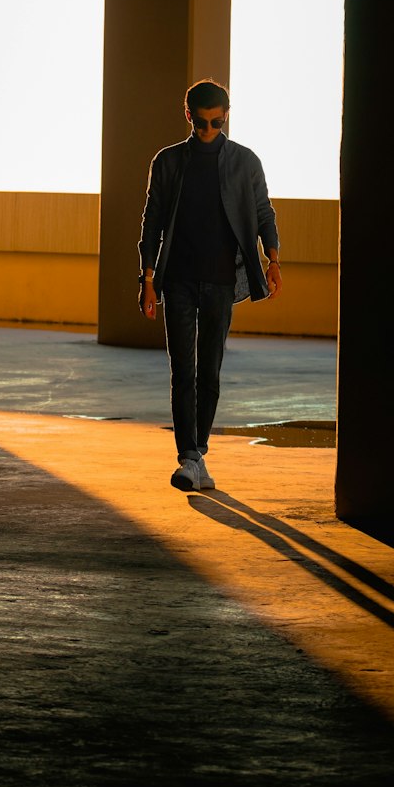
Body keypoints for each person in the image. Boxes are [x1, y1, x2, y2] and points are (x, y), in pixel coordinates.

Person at [138, 78, 282, 492]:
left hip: (221, 280)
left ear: (226, 117)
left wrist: (273, 260)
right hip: (178, 280)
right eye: (201, 123)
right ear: (188, 117)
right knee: (182, 371)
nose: (208, 131)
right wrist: (147, 280)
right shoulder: (167, 162)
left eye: (216, 122)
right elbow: (151, 223)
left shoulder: (245, 161)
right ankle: (188, 458)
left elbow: (262, 212)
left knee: (210, 374)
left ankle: (197, 454)